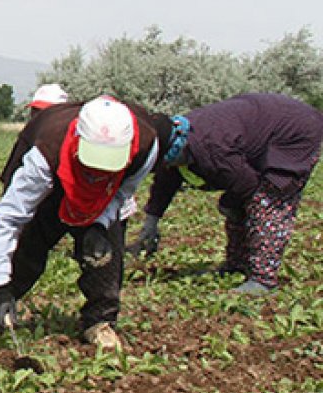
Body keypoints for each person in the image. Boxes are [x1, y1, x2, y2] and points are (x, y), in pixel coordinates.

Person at [0, 96, 160, 350]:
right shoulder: (47, 149)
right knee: (27, 243)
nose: (97, 172)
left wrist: (99, 225)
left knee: (106, 255)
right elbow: (9, 216)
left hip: (106, 195)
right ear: (78, 141)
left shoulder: (146, 146)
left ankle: (100, 321)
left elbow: (123, 193)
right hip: (56, 177)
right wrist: (0, 283)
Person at [131, 93, 323, 295]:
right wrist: (150, 225)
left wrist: (232, 204)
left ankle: (264, 279)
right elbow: (165, 182)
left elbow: (249, 186)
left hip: (295, 133)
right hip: (261, 130)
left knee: (267, 202)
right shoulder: (174, 138)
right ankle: (237, 265)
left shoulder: (211, 147)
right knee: (234, 205)